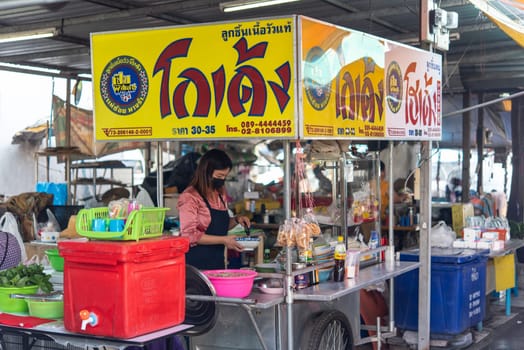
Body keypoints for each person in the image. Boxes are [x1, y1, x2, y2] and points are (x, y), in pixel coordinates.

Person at [177, 149, 251, 270]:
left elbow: (220, 227)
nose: (222, 180)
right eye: (219, 176)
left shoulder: (220, 194)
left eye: (225, 176)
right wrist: (224, 240)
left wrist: (237, 220)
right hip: (196, 264)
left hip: (217, 263)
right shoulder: (190, 197)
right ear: (206, 172)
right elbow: (188, 235)